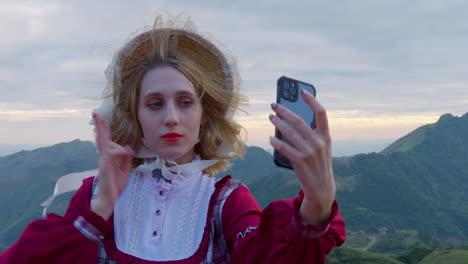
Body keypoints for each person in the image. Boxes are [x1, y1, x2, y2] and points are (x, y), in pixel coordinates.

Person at [0, 16, 345, 264]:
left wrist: (316, 207)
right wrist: (102, 205)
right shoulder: (93, 196)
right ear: (135, 115)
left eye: (184, 102)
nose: (171, 117)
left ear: (203, 115)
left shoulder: (227, 202)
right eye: (154, 103)